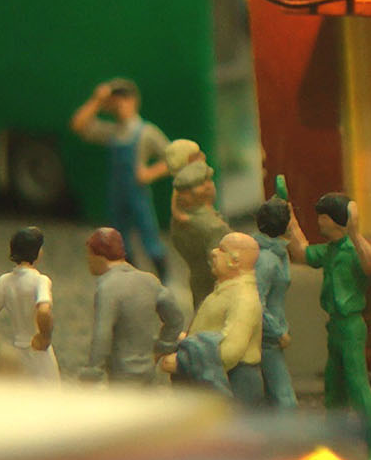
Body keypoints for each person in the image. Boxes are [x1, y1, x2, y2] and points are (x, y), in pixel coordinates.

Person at [287, 192, 371, 460]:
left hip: (351, 325)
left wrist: (355, 233)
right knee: (333, 389)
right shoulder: (330, 250)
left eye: (323, 217)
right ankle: (336, 446)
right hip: (334, 327)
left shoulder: (353, 249)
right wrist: (290, 219)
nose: (319, 221)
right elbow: (302, 252)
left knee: (359, 388)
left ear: (337, 221)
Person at [70, 78, 171, 280]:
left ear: (134, 101)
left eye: (124, 99)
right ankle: (130, 279)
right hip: (117, 193)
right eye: (116, 101)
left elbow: (172, 158)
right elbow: (79, 125)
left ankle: (164, 281)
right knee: (120, 239)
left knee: (149, 236)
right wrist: (97, 101)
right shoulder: (112, 131)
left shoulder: (146, 132)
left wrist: (149, 173)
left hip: (138, 193)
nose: (120, 105)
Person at [163, 233, 263, 405]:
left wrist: (183, 362)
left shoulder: (243, 299)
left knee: (232, 429)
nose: (214, 252)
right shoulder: (227, 291)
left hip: (233, 383)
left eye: (222, 250)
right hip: (218, 379)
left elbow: (229, 353)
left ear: (235, 261)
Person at [82, 227, 184, 385]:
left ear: (98, 255)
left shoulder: (108, 287)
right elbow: (175, 319)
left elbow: (102, 334)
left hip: (120, 373)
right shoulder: (150, 281)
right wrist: (162, 347)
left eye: (89, 255)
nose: (88, 261)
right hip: (147, 368)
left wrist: (93, 372)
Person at [0, 227, 57, 383]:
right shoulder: (40, 280)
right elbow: (43, 311)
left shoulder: (5, 281)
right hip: (38, 350)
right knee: (48, 391)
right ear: (36, 252)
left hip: (18, 348)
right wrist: (44, 336)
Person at [253, 197, 297, 409]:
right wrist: (277, 331)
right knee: (284, 398)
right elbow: (256, 302)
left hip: (272, 335)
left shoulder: (278, 253)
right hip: (266, 337)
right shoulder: (267, 260)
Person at [170, 160, 231, 308]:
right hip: (217, 293)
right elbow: (221, 268)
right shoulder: (214, 227)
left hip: (197, 282)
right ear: (207, 188)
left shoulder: (178, 222)